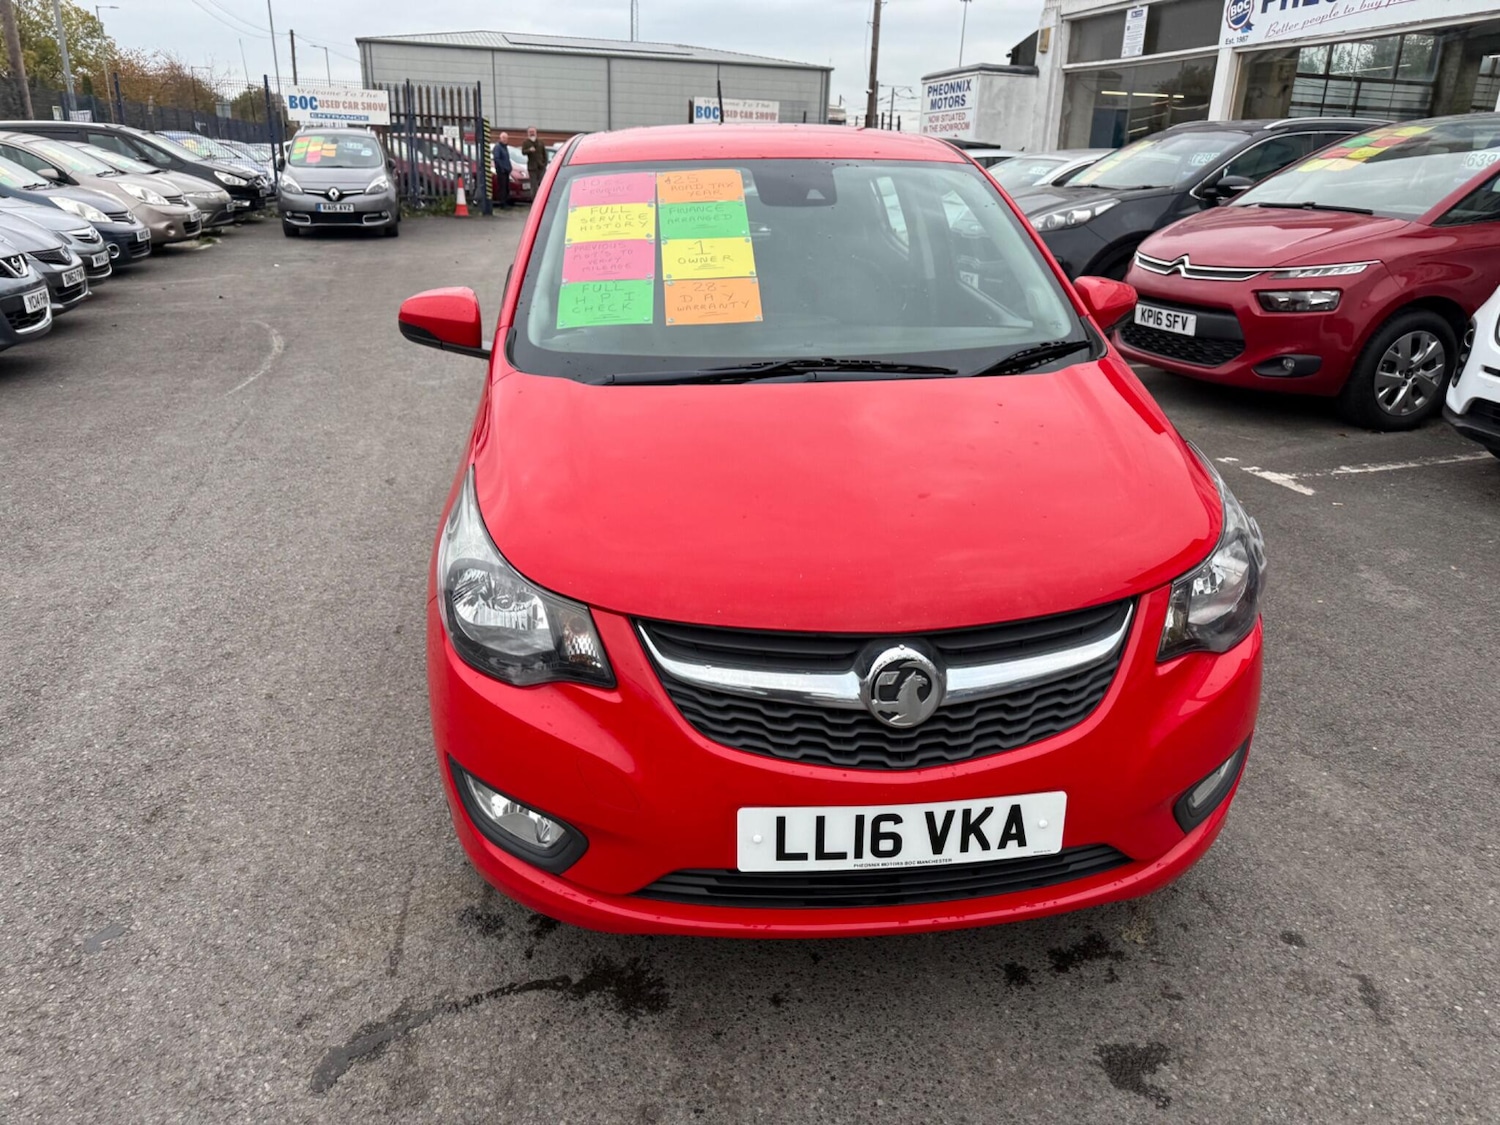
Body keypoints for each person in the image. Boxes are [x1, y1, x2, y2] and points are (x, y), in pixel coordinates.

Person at [521, 127, 548, 193]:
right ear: (528, 133)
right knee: (534, 186)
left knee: (542, 184)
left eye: (533, 131)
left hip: (541, 167)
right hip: (532, 167)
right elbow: (523, 152)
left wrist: (544, 164)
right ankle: (535, 200)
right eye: (530, 132)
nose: (532, 133)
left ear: (536, 132)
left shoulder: (540, 142)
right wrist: (529, 150)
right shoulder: (526, 142)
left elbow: (545, 154)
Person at [491, 131, 512, 209]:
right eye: (503, 138)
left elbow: (507, 159)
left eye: (506, 138)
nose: (505, 139)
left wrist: (509, 167)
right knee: (502, 188)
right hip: (501, 171)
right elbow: (497, 159)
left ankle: (506, 202)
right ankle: (502, 204)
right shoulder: (498, 147)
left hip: (506, 170)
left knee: (506, 187)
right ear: (500, 138)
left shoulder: (505, 147)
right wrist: (502, 168)